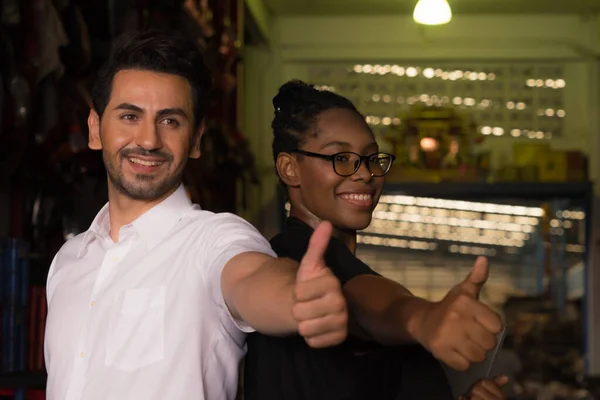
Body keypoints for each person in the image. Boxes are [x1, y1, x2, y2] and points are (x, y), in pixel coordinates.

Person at [43, 31, 349, 400]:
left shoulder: (213, 239)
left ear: (197, 138)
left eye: (170, 121)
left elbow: (250, 277)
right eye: (129, 116)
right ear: (95, 129)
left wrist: (295, 298)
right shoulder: (68, 260)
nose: (149, 140)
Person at [244, 80, 509, 400]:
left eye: (371, 158)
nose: (365, 173)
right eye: (340, 158)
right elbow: (365, 303)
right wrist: (421, 318)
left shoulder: (333, 261)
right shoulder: (298, 262)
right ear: (289, 169)